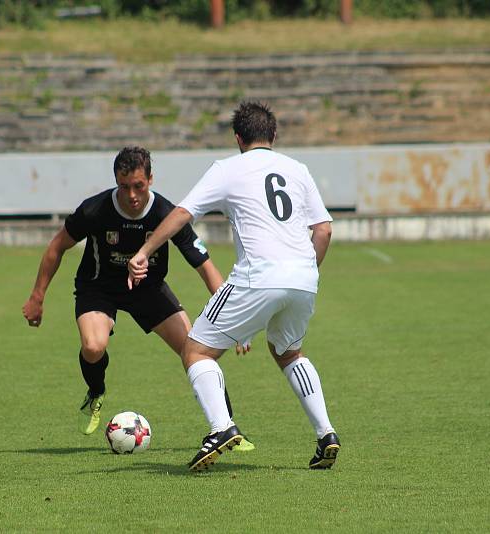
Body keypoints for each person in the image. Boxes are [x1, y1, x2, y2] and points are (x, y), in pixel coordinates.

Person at [128, 102, 338, 471]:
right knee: (289, 353)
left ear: (238, 138)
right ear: (273, 136)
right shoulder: (298, 169)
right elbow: (323, 230)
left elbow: (181, 213)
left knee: (195, 351)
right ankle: (326, 435)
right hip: (304, 277)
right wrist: (305, 271)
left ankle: (221, 427)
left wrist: (145, 250)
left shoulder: (227, 169)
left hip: (258, 276)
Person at [22, 146, 254, 451]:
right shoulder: (95, 210)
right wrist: (37, 296)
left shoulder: (166, 215)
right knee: (93, 347)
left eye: (138, 186)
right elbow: (57, 246)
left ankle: (227, 428)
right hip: (98, 286)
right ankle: (96, 391)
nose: (131, 194)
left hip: (149, 290)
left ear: (150, 180)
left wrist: (233, 319)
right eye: (124, 186)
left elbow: (206, 267)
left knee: (197, 352)